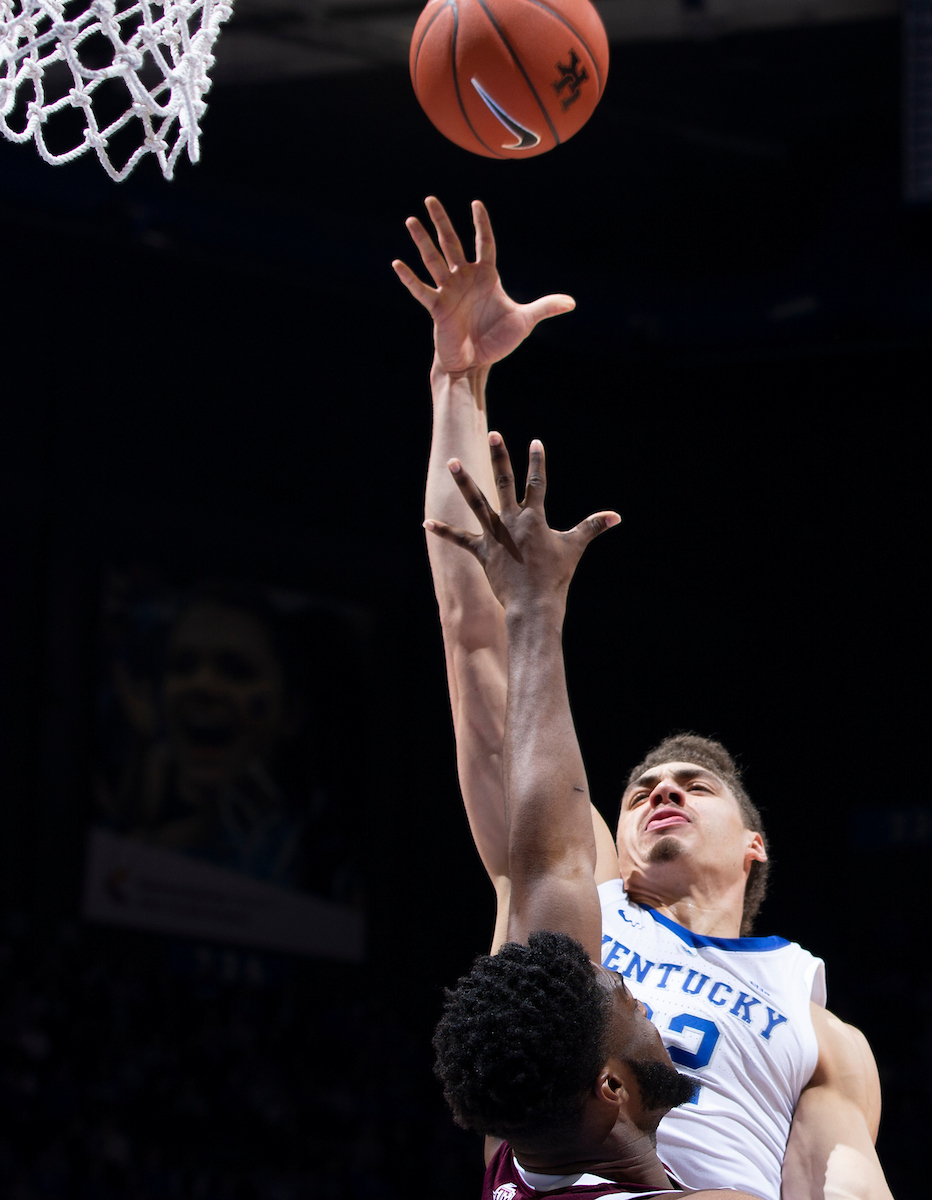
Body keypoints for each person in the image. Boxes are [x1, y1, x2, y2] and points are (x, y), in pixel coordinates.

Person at [393, 198, 893, 1200]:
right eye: (641, 787)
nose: (662, 787)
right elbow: (473, 628)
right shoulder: (573, 909)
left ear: (755, 845)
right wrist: (457, 380)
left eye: (696, 785)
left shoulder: (812, 1017)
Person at [427, 433, 763, 1200]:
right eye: (630, 1002)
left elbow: (553, 860)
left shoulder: (528, 1124)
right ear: (610, 1088)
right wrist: (534, 610)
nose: (644, 1001)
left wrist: (533, 613)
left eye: (695, 786)